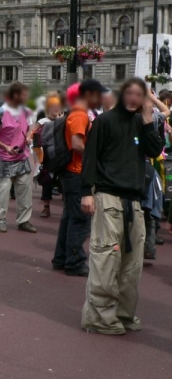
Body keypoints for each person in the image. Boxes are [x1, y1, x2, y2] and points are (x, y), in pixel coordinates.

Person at [80, 78, 165, 335]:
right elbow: (90, 156)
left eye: (140, 95)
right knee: (106, 258)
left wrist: (149, 119)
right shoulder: (105, 121)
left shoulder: (142, 123)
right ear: (122, 94)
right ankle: (99, 318)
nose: (133, 99)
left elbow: (154, 150)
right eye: (129, 93)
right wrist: (87, 192)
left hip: (135, 201)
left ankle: (124, 314)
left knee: (132, 263)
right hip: (108, 196)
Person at [52, 80, 106, 277]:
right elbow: (77, 144)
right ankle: (74, 262)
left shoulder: (75, 113)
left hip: (71, 171)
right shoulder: (79, 115)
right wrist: (95, 161)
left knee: (69, 218)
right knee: (80, 220)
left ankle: (61, 258)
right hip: (76, 171)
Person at [0, 82, 36, 234]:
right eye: (24, 95)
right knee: (2, 192)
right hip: (4, 158)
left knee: (25, 192)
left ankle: (24, 220)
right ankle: (0, 220)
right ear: (15, 95)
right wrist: (5, 146)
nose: (26, 98)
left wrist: (28, 137)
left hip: (22, 157)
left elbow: (31, 129)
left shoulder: (27, 112)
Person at [30, 92, 62, 218]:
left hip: (61, 156)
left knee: (63, 181)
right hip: (47, 157)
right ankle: (46, 207)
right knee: (47, 183)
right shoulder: (43, 121)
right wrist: (38, 158)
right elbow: (35, 138)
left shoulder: (64, 120)